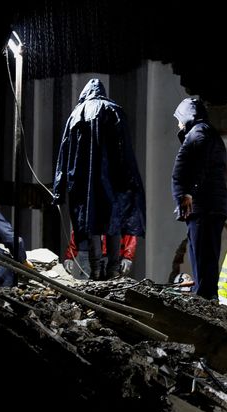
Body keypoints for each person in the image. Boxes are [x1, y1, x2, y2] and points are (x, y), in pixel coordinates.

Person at [52, 78, 146, 281]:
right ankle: (112, 270)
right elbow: (125, 150)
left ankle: (95, 270)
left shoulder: (75, 114)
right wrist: (129, 181)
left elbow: (64, 153)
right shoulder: (115, 111)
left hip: (82, 182)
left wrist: (58, 190)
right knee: (114, 222)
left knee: (90, 223)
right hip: (112, 180)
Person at [172, 97, 227, 299]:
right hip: (212, 203)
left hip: (202, 205)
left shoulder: (199, 132)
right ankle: (207, 294)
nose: (178, 124)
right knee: (208, 253)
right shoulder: (208, 133)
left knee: (200, 252)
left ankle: (204, 296)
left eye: (179, 118)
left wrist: (189, 193)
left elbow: (198, 164)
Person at [63, 230, 137, 279]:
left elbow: (129, 229)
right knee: (88, 285)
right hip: (89, 253)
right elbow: (79, 227)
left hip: (112, 254)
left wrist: (128, 256)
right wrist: (70, 256)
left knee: (112, 286)